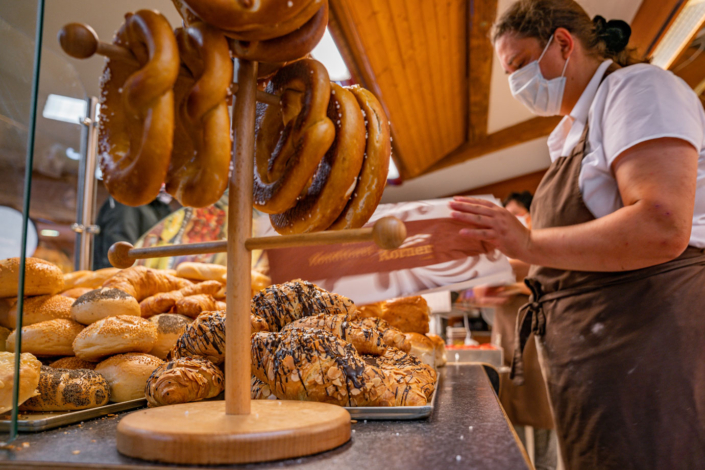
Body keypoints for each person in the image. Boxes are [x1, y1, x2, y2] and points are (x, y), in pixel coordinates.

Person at [449, 1, 705, 469]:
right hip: (593, 362)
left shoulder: (638, 89)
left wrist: (526, 243)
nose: (517, 85)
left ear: (563, 43)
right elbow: (572, 254)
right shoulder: (570, 135)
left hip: (645, 349)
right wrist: (499, 260)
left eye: (520, 65)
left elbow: (662, 224)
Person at [475, 192, 557, 470]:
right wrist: (483, 293)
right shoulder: (496, 251)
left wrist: (519, 288)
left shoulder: (546, 243)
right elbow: (477, 290)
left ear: (532, 215)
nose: (511, 218)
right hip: (504, 336)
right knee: (508, 408)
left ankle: (544, 466)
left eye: (517, 213)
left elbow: (557, 282)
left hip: (537, 336)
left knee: (542, 409)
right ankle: (517, 463)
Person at [93, 194, 174, 269]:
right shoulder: (126, 203)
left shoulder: (155, 205)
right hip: (124, 278)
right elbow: (119, 257)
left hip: (145, 274)